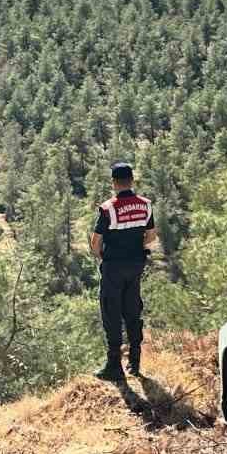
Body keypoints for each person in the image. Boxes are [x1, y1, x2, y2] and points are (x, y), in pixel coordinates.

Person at [90, 161, 157, 380]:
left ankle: (114, 366)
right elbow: (151, 236)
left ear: (114, 183)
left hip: (114, 267)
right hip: (136, 265)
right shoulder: (145, 204)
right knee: (132, 310)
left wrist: (101, 256)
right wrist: (139, 247)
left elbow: (96, 241)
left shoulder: (108, 208)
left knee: (111, 312)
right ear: (132, 181)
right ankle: (135, 363)